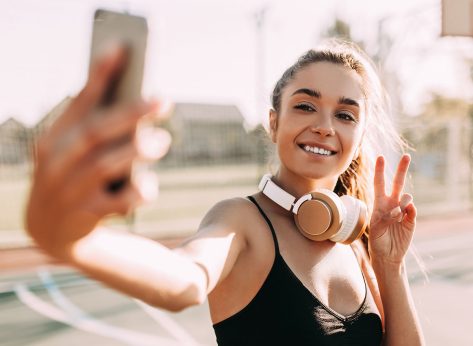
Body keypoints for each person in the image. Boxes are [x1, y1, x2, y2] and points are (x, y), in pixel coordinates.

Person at [26, 40, 425, 345]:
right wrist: (72, 240)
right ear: (273, 123)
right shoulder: (241, 220)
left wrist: (391, 267)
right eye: (305, 106)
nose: (324, 126)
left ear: (358, 137)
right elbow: (184, 279)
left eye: (345, 115)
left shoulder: (353, 241)